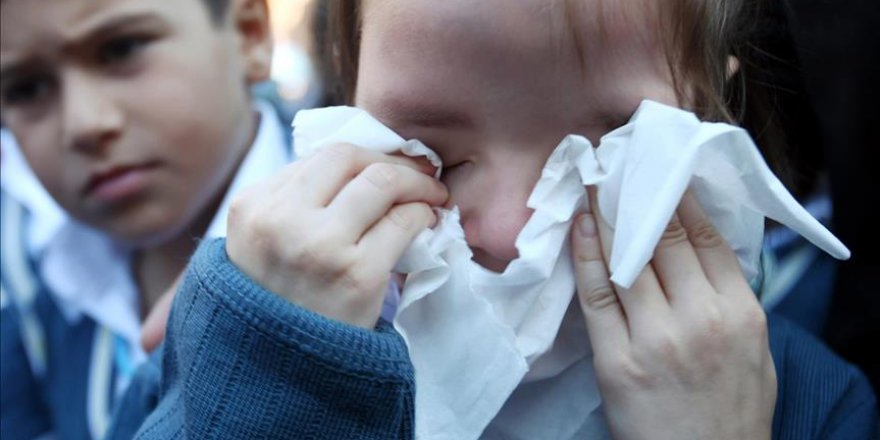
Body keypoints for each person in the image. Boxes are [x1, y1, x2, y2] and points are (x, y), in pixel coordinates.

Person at [110, 0, 877, 438]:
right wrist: (271, 372)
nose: (512, 235)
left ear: (705, 115)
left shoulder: (799, 403)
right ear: (351, 97)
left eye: (601, 148)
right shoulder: (247, 330)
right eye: (437, 151)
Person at [0, 0, 291, 438]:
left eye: (122, 48)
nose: (83, 124)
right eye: (27, 89)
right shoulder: (42, 298)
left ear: (248, 34)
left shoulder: (396, 263)